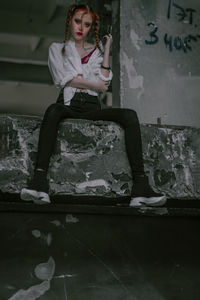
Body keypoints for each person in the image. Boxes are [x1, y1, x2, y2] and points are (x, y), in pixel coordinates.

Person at [20, 3, 167, 207]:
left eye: (87, 24)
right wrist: (94, 84)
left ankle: (140, 187)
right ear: (70, 21)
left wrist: (106, 50)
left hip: (91, 107)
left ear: (91, 28)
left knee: (130, 116)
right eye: (77, 21)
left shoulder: (96, 52)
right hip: (68, 104)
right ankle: (39, 183)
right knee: (52, 111)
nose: (81, 27)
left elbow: (104, 82)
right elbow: (63, 79)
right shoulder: (57, 49)